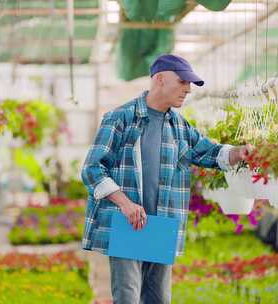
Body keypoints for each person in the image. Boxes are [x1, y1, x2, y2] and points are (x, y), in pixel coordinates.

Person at [81, 54, 265, 304]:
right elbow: (92, 168)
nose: (188, 89)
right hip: (127, 222)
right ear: (159, 79)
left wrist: (237, 152)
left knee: (159, 299)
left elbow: (209, 152)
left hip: (162, 224)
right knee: (128, 296)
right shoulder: (121, 118)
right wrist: (125, 204)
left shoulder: (179, 126)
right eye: (182, 81)